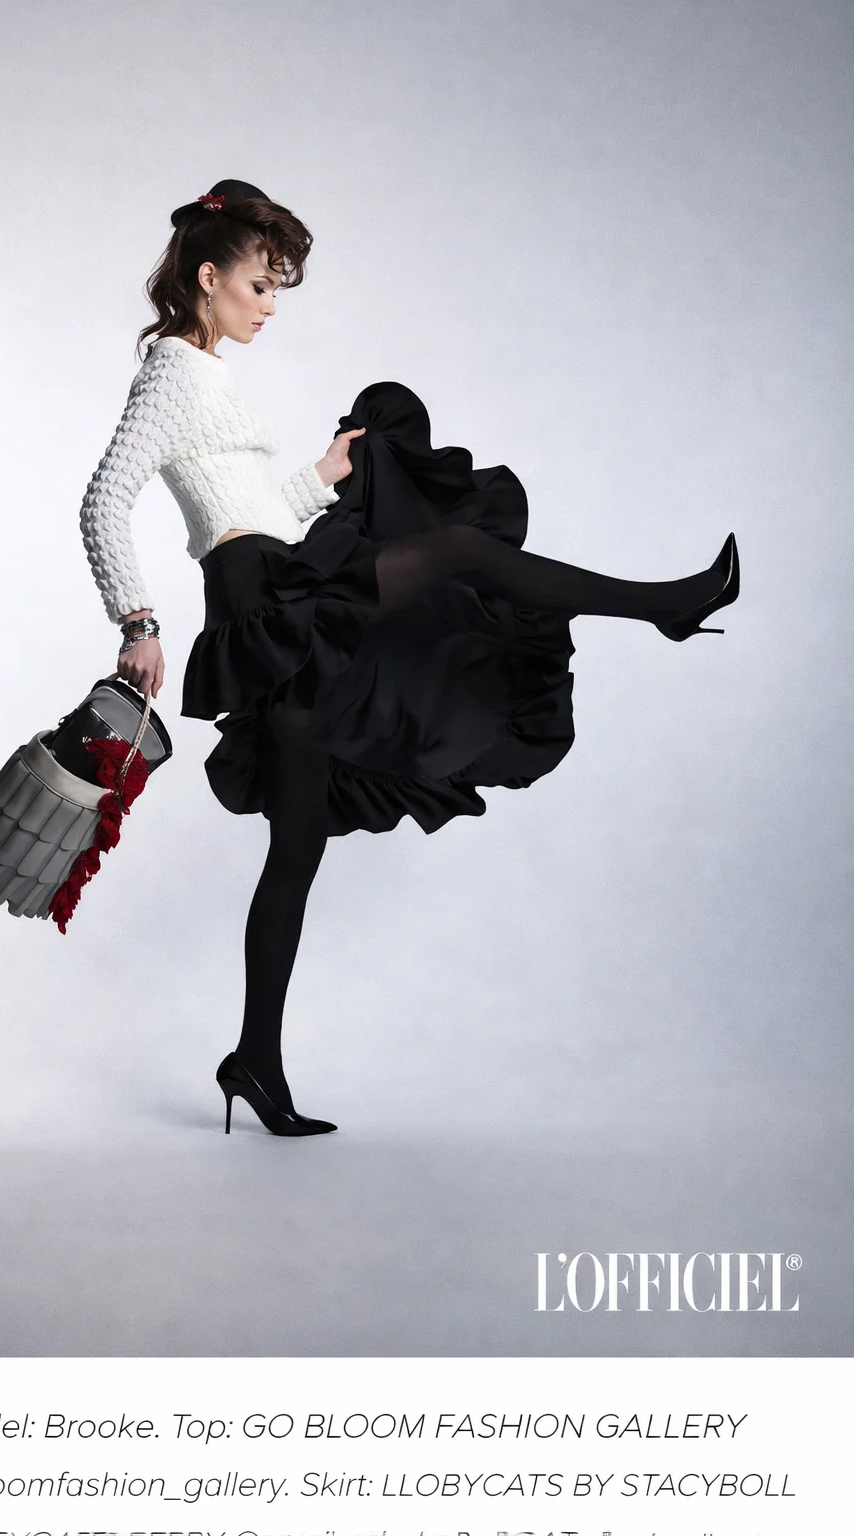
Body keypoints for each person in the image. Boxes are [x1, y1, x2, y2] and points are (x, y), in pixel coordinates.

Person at [78, 178, 740, 1139]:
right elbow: (104, 497)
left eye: (278, 291)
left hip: (272, 588)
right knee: (462, 551)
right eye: (261, 287)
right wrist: (137, 622)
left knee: (296, 851)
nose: (271, 307)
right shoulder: (174, 373)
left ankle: (254, 1061)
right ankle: (666, 607)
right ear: (209, 278)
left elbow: (246, 511)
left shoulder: (206, 373)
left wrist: (322, 476)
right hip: (265, 601)